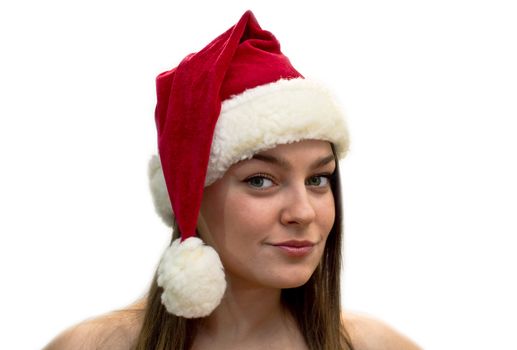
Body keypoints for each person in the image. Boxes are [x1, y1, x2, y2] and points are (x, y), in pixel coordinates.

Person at [44, 10, 421, 350]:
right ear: (188, 196)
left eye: (318, 179)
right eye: (260, 181)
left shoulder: (374, 344)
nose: (303, 212)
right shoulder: (93, 346)